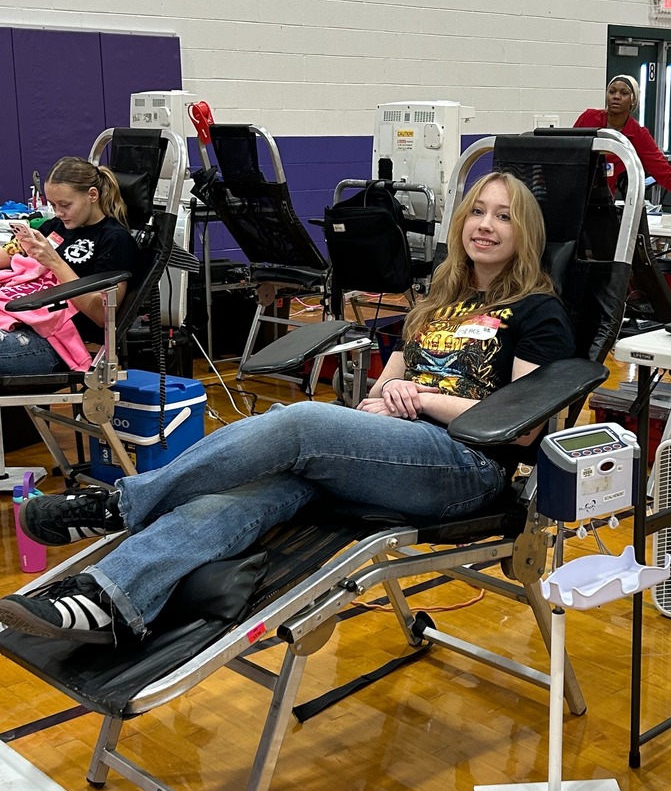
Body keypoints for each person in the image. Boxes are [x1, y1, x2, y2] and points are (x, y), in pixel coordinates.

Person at [0, 172, 575, 645]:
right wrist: (382, 403)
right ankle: (109, 598)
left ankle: (120, 504)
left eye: (504, 216)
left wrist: (419, 398)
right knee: (242, 496)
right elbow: (382, 390)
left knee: (298, 422)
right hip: (389, 451)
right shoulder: (436, 302)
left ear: (525, 233)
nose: (486, 225)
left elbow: (520, 428)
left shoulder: (538, 312)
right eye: (478, 211)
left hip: (465, 466)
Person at [0, 157, 140, 375]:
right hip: (21, 319)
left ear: (92, 195)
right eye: (53, 205)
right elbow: (10, 253)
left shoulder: (114, 240)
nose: (58, 212)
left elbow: (101, 315)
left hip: (60, 339)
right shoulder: (54, 227)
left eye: (65, 205)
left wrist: (55, 262)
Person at [574, 74, 671, 208]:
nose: (616, 96)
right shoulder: (588, 118)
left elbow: (664, 171)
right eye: (612, 92)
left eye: (624, 93)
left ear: (633, 100)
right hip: (573, 191)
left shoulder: (638, 134)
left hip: (601, 202)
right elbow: (567, 150)